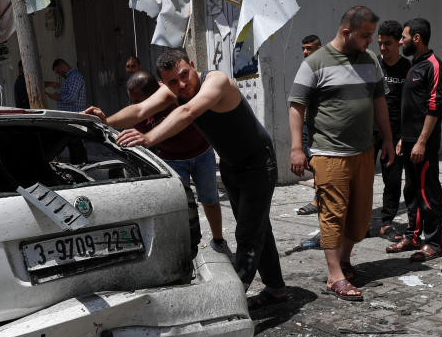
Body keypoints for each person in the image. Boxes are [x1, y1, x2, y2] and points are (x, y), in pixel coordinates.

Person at [84, 48, 286, 312]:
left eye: (184, 75)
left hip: (258, 162)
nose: (181, 84)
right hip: (232, 164)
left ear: (192, 65)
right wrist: (106, 122)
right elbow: (140, 109)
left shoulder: (216, 81)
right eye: (172, 82)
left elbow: (189, 112)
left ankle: (227, 304)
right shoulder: (174, 92)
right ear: (163, 84)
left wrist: (148, 138)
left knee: (248, 234)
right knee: (258, 228)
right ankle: (276, 290)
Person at [287, 5, 394, 302]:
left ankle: (344, 261)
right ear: (346, 32)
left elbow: (379, 102)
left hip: (363, 152)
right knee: (333, 215)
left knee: (359, 218)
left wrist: (387, 138)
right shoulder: (316, 62)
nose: (370, 41)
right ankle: (335, 276)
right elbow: (297, 106)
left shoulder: (370, 60)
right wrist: (297, 148)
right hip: (329, 154)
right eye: (365, 36)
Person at [126, 70, 229, 255]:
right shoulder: (140, 114)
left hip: (202, 153)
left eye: (138, 100)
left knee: (210, 200)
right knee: (179, 207)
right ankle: (183, 249)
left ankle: (219, 240)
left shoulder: (172, 95)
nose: (135, 105)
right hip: (171, 161)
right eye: (132, 100)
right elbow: (143, 139)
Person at [386, 17, 442, 262]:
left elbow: (434, 107)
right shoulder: (414, 65)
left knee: (427, 192)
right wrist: (403, 139)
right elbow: (410, 108)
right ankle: (412, 236)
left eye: (403, 37)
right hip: (408, 141)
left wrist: (421, 141)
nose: (400, 42)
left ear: (417, 38)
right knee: (410, 191)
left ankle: (433, 242)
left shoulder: (433, 65)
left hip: (425, 143)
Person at [373, 20, 410, 237]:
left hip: (396, 133)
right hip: (370, 131)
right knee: (361, 180)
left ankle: (386, 222)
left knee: (393, 180)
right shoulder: (373, 65)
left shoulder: (408, 68)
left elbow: (411, 106)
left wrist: (403, 137)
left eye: (388, 44)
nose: (383, 48)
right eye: (380, 44)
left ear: (399, 43)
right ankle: (358, 223)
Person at [295, 34, 323, 217]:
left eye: (309, 48)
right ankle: (321, 193)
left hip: (321, 125)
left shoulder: (325, 69)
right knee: (309, 158)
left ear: (319, 49)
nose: (305, 52)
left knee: (320, 162)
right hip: (307, 122)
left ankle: (318, 199)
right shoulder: (305, 68)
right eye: (303, 48)